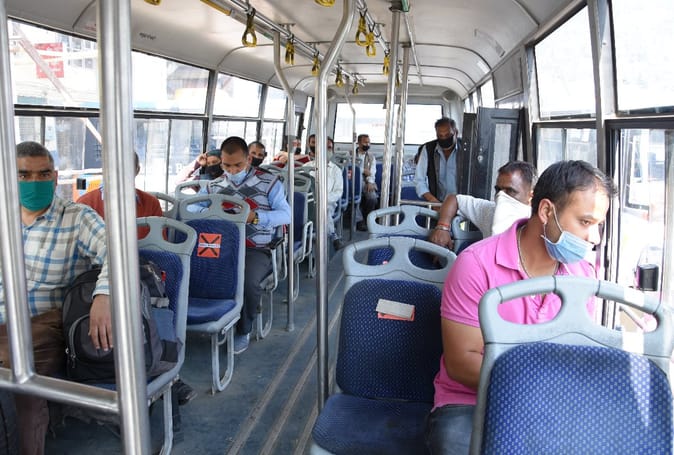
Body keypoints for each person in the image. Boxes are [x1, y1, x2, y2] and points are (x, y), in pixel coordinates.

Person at [425, 160, 617, 454]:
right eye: (585, 222)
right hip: (472, 401)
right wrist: (543, 387)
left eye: (598, 225)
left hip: (548, 403)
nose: (595, 238)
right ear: (546, 211)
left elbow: (577, 353)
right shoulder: (476, 265)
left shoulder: (583, 275)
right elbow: (461, 363)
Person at [0, 141, 111, 455]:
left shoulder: (77, 217)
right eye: (24, 175)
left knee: (18, 379)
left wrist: (104, 295)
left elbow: (119, 254)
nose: (34, 182)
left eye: (43, 173)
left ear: (55, 176)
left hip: (44, 325)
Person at [77, 152, 197, 405]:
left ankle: (167, 373)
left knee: (152, 309)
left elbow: (160, 249)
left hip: (142, 275)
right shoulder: (85, 206)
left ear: (136, 170)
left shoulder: (149, 203)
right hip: (98, 277)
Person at [207, 136, 291, 354]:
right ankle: (217, 317)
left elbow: (286, 215)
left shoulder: (269, 182)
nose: (232, 171)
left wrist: (256, 217)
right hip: (222, 246)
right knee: (200, 274)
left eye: (238, 165)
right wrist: (209, 212)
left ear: (248, 160)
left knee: (246, 281)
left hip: (255, 247)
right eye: (226, 166)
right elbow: (194, 209)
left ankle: (243, 329)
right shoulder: (214, 186)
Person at [428, 161, 537, 250]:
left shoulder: (538, 225)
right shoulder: (489, 211)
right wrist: (443, 227)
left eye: (510, 191)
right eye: (498, 190)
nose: (501, 196)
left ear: (531, 196)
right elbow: (454, 199)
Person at [302, 135, 344, 251]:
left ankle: (331, 235)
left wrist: (323, 198)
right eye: (324, 147)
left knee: (323, 209)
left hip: (327, 202)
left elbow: (338, 192)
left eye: (329, 148)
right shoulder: (306, 167)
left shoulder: (336, 170)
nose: (327, 150)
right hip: (308, 202)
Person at [414, 117, 462, 204]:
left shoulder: (466, 149)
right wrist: (433, 201)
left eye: (447, 135)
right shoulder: (428, 149)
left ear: (456, 132)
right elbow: (419, 180)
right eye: (440, 136)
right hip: (437, 202)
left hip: (462, 203)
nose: (444, 139)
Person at [355, 134, 378, 231]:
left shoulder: (371, 157)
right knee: (354, 197)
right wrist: (363, 170)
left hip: (366, 181)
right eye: (365, 142)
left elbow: (372, 172)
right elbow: (350, 168)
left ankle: (368, 218)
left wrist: (370, 182)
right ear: (359, 143)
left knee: (372, 198)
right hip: (354, 181)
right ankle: (359, 220)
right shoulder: (351, 155)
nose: (367, 144)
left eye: (369, 142)